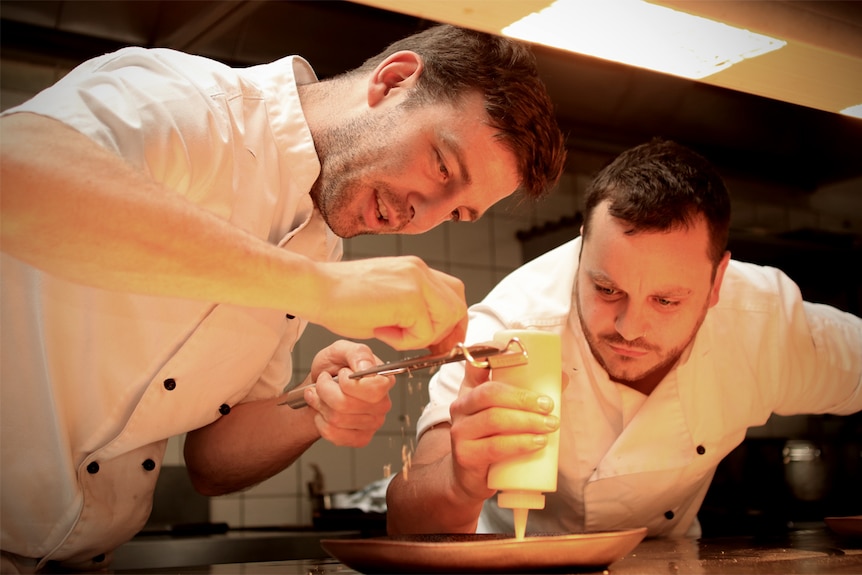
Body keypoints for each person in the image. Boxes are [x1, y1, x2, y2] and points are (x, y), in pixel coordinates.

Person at [0, 24, 566, 571]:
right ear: (393, 81)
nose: (426, 215)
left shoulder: (320, 248)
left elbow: (210, 462)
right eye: (442, 165)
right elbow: (13, 169)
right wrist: (320, 290)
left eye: (459, 212)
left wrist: (315, 407)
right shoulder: (192, 103)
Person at [386, 139, 861, 539]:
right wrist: (458, 482)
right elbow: (406, 522)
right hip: (518, 565)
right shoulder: (510, 328)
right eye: (607, 289)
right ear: (582, 250)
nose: (629, 327)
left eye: (667, 301)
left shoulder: (763, 322)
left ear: (717, 283)